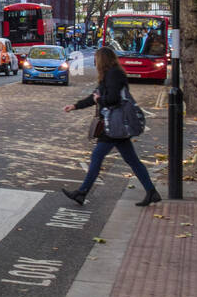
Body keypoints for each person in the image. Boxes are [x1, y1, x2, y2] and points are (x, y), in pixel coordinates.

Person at [62, 46, 161, 207]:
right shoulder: (109, 75)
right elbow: (94, 96)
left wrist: (98, 101)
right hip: (115, 124)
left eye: (96, 58)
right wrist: (75, 106)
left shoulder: (114, 74)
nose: (94, 61)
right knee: (132, 161)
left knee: (97, 157)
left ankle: (82, 192)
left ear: (102, 60)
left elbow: (112, 98)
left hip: (114, 125)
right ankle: (151, 192)